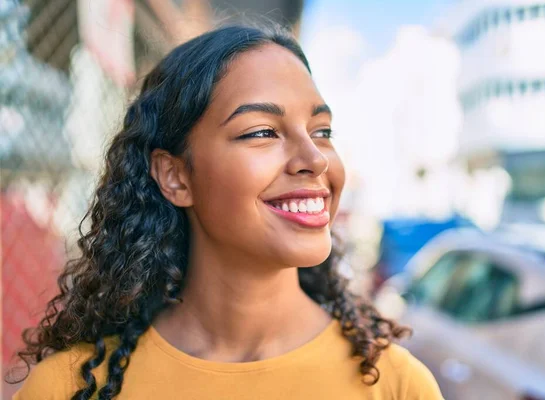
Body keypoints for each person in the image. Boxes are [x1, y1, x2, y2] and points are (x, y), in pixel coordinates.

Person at [9, 25, 444, 400]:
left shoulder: (396, 385)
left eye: (322, 131)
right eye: (262, 132)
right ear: (175, 176)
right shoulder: (68, 387)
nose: (315, 158)